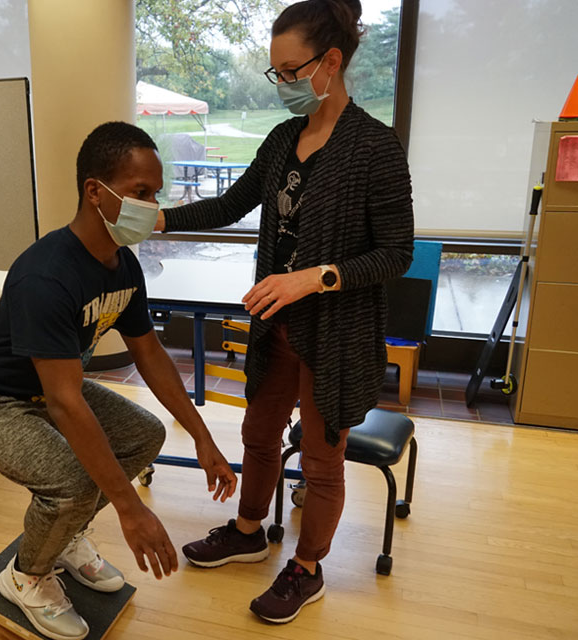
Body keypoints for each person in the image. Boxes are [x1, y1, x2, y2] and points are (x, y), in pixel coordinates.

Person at [155, 0, 414, 625]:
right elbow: (229, 204)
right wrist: (159, 218)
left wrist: (314, 278)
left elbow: (396, 254)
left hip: (337, 334)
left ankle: (307, 567)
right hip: (275, 329)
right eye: (276, 74)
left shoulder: (375, 147)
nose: (283, 86)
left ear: (330, 63)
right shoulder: (281, 141)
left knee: (323, 462)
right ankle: (248, 531)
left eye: (290, 71)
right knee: (258, 434)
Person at [0, 121, 237, 640]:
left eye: (155, 193)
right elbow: (65, 403)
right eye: (140, 193)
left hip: (42, 390)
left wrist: (203, 438)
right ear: (94, 191)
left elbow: (151, 354)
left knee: (143, 435)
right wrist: (130, 507)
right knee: (72, 483)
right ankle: (26, 575)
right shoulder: (47, 276)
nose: (152, 205)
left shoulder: (123, 266)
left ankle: (66, 535)